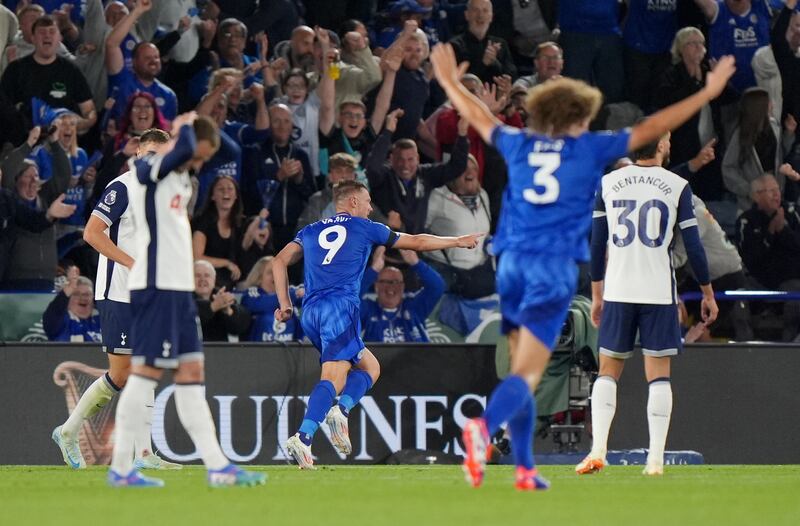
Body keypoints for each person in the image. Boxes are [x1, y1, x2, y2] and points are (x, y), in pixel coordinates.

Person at [429, 42, 735, 490]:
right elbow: (653, 126)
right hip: (550, 268)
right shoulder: (588, 148)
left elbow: (481, 118)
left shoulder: (520, 142)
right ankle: (482, 429)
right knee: (529, 372)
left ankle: (525, 468)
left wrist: (451, 83)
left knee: (521, 368)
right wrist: (705, 93)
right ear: (578, 116)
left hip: (508, 264)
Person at [272, 180, 481, 468]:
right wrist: (456, 241)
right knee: (334, 377)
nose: (371, 208)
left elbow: (279, 261)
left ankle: (341, 411)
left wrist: (284, 303)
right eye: (368, 201)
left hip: (310, 311)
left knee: (370, 367)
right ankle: (303, 437)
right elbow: (418, 242)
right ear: (353, 202)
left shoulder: (310, 230)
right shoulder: (365, 227)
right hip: (339, 308)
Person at [108, 113, 265, 487]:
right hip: (157, 284)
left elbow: (228, 148)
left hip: (178, 289)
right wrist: (186, 129)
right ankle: (121, 469)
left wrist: (204, 122)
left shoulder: (179, 175)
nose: (197, 158)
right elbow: (191, 148)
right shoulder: (148, 168)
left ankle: (218, 467)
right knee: (145, 373)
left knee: (192, 374)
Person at [576, 131, 719, 477]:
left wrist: (597, 294)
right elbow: (694, 247)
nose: (669, 144)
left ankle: (598, 450)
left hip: (619, 289)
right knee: (658, 376)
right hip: (657, 292)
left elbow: (596, 245)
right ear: (658, 146)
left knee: (607, 372)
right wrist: (707, 292)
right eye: (668, 139)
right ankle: (655, 459)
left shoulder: (609, 183)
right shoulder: (676, 185)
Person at [51, 129, 180, 471]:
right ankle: (68, 431)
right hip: (119, 292)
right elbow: (91, 233)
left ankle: (145, 454)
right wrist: (133, 264)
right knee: (122, 374)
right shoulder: (122, 187)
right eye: (150, 153)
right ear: (138, 154)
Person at [0, 15, 96, 133]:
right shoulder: (15, 70)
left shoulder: (71, 71)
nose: (47, 35)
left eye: (52, 31)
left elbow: (89, 110)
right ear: (33, 38)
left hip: (62, 141)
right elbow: (3, 110)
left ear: (60, 38)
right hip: (25, 141)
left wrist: (83, 123)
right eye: (42, 32)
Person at [735, 174, 800, 341]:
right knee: (736, 292)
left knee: (796, 294)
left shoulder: (792, 214)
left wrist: (784, 230)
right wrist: (770, 233)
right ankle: (745, 343)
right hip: (758, 280)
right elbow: (750, 257)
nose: (776, 194)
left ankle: (789, 344)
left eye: (777, 189)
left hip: (789, 280)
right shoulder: (746, 220)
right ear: (756, 196)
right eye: (770, 191)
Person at [722, 87, 798, 211]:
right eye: (768, 102)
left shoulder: (774, 127)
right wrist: (749, 189)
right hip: (751, 203)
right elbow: (728, 168)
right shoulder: (740, 135)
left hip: (776, 194)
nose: (772, 105)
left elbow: (781, 154)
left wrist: (788, 134)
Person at [361, 246, 445, 343]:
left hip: (417, 357)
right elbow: (349, 297)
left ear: (403, 286)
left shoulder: (414, 307)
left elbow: (437, 286)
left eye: (396, 282)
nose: (391, 287)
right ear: (376, 286)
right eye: (385, 282)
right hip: (378, 358)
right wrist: (374, 269)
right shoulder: (367, 309)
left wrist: (416, 263)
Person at [448, 0, 516, 82]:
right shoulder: (454, 45)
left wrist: (495, 62)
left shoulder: (501, 44)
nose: (480, 15)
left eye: (485, 11)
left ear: (491, 17)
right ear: (466, 15)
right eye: (475, 10)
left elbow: (512, 76)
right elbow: (455, 82)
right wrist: (483, 63)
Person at [241, 256, 304, 342]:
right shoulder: (251, 294)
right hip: (257, 352)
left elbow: (306, 297)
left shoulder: (290, 293)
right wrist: (290, 295)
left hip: (290, 352)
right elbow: (261, 304)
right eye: (271, 272)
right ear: (259, 277)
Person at [194, 260, 251, 342]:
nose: (202, 279)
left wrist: (229, 311)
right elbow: (186, 320)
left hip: (220, 351)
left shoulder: (223, 298)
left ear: (214, 280)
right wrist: (213, 306)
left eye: (207, 275)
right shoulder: (183, 298)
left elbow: (242, 326)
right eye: (197, 275)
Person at [42, 266, 102, 342]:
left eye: (87, 294)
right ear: (68, 298)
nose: (83, 298)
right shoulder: (60, 321)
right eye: (76, 294)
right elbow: (54, 311)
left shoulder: (102, 320)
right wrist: (70, 287)